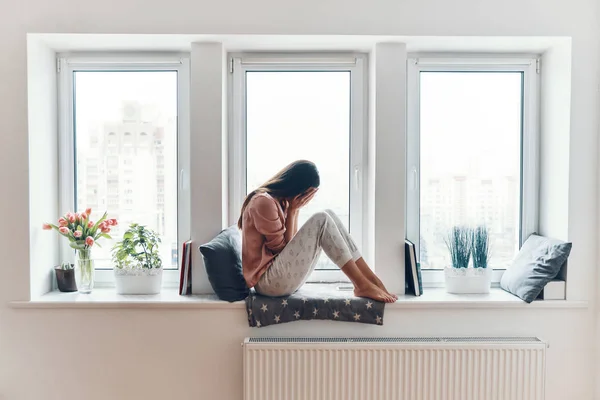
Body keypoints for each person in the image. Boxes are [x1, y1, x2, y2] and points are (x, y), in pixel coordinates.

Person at [239, 160, 397, 303]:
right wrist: (293, 211)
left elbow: (289, 248)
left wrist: (293, 210)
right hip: (268, 283)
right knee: (322, 218)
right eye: (306, 194)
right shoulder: (263, 202)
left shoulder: (281, 203)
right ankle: (361, 284)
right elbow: (281, 250)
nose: (307, 199)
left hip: (280, 280)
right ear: (297, 188)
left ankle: (371, 280)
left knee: (329, 214)